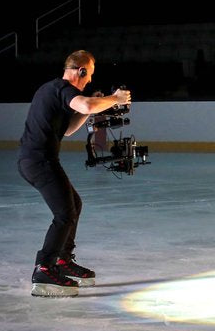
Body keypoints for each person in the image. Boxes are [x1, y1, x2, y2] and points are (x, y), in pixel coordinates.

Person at [18, 50, 132, 297]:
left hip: (38, 160)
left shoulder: (53, 90)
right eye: (88, 74)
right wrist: (115, 98)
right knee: (64, 213)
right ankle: (44, 269)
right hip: (39, 161)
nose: (89, 80)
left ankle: (62, 261)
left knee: (74, 206)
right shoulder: (61, 88)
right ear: (80, 71)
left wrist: (90, 108)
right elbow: (87, 102)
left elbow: (69, 129)